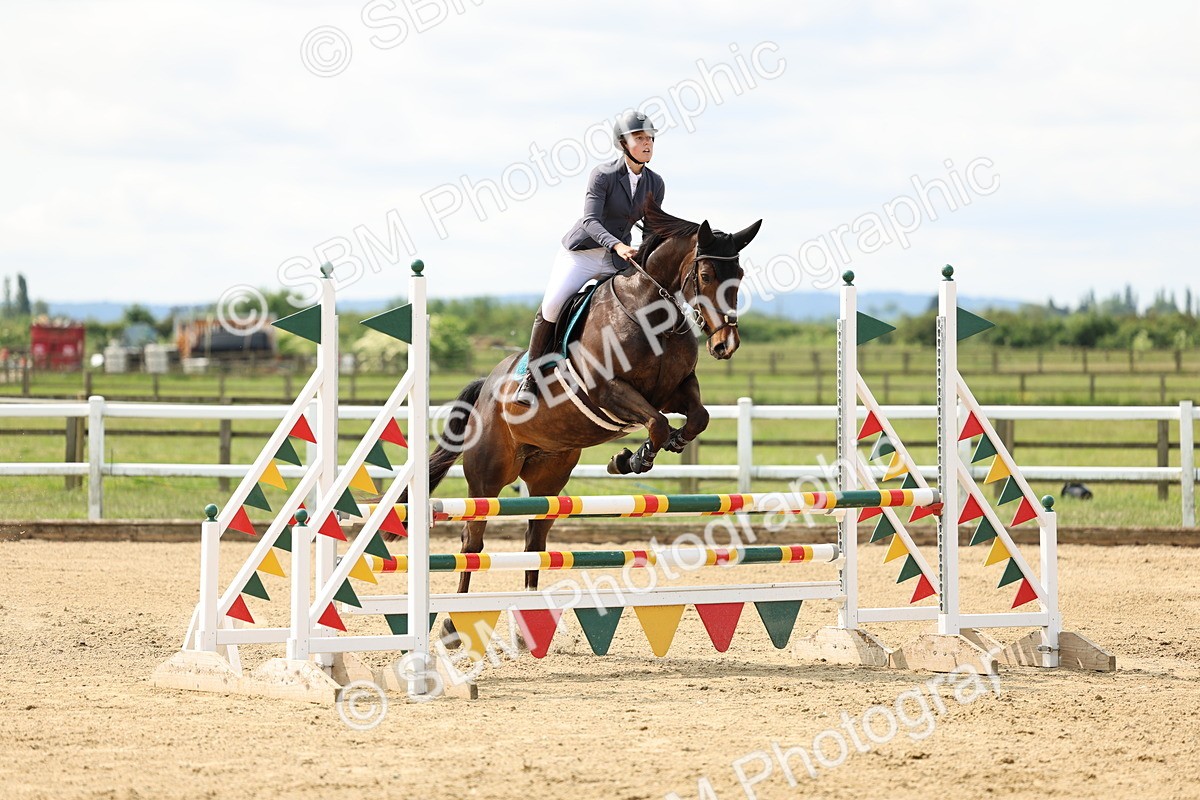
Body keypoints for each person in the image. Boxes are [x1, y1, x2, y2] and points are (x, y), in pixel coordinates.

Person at [514, 110, 666, 406]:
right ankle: (530, 378)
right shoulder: (604, 175)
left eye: (650, 138)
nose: (647, 143)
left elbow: (650, 229)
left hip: (617, 258)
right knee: (553, 304)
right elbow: (590, 221)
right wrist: (618, 245)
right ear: (623, 143)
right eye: (640, 138)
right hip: (582, 253)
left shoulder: (655, 183)